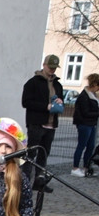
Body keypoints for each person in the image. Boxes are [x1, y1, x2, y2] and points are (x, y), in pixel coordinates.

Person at [21, 54, 65, 192]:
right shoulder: (33, 82)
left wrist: (59, 102)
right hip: (36, 123)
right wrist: (45, 106)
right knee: (31, 154)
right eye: (50, 67)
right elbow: (26, 102)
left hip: (51, 124)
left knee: (44, 155)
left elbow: (60, 99)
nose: (52, 70)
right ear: (44, 65)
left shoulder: (57, 84)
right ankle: (25, 182)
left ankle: (39, 182)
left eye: (54, 68)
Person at [71, 73, 99, 177]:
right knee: (81, 145)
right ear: (94, 84)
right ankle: (75, 167)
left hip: (91, 124)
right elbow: (85, 112)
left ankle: (86, 167)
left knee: (90, 146)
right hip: (84, 124)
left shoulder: (93, 95)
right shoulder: (84, 96)